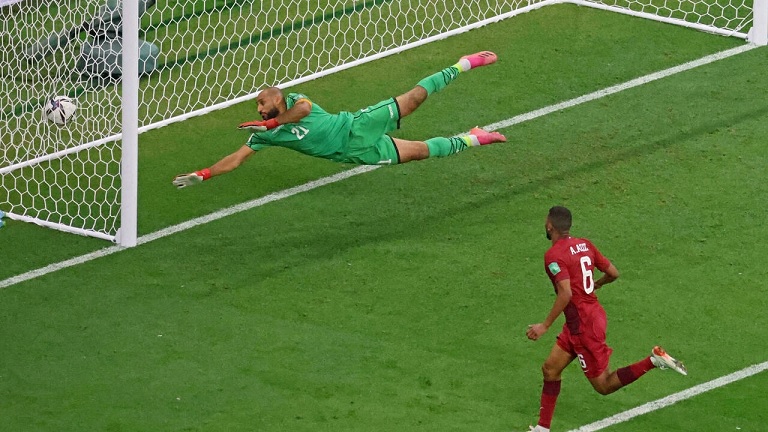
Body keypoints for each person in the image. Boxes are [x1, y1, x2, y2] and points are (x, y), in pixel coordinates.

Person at [172, 51, 507, 188]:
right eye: (258, 107)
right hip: (354, 152)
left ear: (276, 97)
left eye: (262, 102)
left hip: (356, 126)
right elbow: (236, 159)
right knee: (419, 152)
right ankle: (473, 137)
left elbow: (303, 112)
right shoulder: (264, 135)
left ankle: (462, 64)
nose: (259, 109)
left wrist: (272, 123)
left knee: (413, 100)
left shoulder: (295, 100)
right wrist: (204, 173)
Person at [525, 206, 687, 432]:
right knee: (550, 369)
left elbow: (566, 293)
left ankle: (653, 360)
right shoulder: (585, 244)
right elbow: (613, 273)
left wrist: (544, 325)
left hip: (584, 327)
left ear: (550, 226)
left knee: (604, 385)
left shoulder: (553, 255)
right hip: (583, 320)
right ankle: (543, 428)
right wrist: (597, 284)